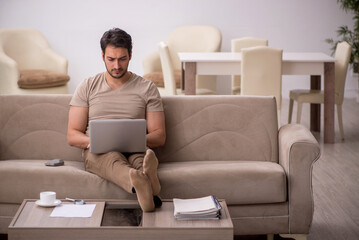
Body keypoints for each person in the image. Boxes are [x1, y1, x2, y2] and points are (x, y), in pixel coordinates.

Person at [67, 28, 166, 212]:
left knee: (141, 159)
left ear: (130, 55)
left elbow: (159, 136)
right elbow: (72, 135)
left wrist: (133, 140)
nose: (117, 66)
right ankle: (145, 183)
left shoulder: (147, 88)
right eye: (111, 59)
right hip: (99, 152)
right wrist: (96, 142)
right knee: (112, 159)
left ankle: (145, 174)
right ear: (103, 56)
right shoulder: (88, 86)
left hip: (136, 147)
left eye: (122, 59)